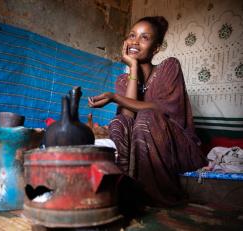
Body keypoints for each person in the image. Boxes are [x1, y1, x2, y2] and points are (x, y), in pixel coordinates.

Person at [88, 16, 207, 206]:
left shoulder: (169, 67)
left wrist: (115, 97)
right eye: (132, 35)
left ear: (156, 48)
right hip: (141, 140)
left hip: (176, 146)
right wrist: (133, 67)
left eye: (144, 37)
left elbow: (158, 109)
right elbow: (127, 118)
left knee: (147, 116)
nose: (135, 41)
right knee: (118, 122)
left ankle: (151, 196)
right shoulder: (122, 80)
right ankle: (122, 186)